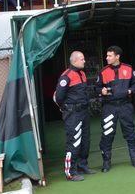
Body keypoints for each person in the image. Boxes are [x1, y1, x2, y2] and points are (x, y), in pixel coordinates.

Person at [96, 46, 135, 172]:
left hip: (125, 105)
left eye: (109, 56)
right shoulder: (104, 71)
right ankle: (106, 162)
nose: (107, 58)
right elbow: (97, 87)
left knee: (130, 132)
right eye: (107, 55)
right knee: (107, 134)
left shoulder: (128, 68)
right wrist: (101, 90)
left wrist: (131, 90)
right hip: (109, 107)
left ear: (117, 56)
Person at [55, 51, 94, 181]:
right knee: (74, 142)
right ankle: (70, 172)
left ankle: (82, 166)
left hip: (84, 112)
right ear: (75, 61)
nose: (84, 61)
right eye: (82, 59)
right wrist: (65, 109)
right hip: (73, 114)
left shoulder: (82, 73)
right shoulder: (66, 76)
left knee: (85, 141)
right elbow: (58, 97)